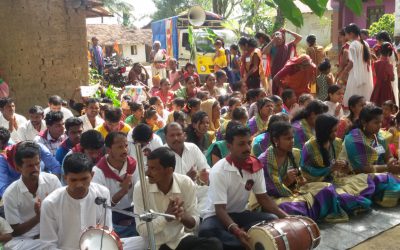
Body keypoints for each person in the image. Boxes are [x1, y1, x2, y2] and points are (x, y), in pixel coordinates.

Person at [199, 124, 288, 250]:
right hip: (216, 217)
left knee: (272, 219)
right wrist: (236, 230)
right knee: (206, 231)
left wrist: (287, 217)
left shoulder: (255, 166)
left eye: (249, 143)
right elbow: (220, 209)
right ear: (229, 146)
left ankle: (239, 241)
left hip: (239, 214)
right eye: (241, 144)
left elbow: (263, 198)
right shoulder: (219, 170)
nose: (247, 148)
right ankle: (243, 241)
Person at [41, 153, 145, 250]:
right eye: (74, 180)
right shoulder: (51, 203)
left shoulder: (102, 193)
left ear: (92, 175)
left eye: (84, 179)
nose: (79, 185)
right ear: (65, 178)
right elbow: (48, 245)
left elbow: (107, 231)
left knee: (144, 242)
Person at [254, 121, 348, 222]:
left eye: (292, 137)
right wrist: (287, 181)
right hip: (273, 199)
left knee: (327, 188)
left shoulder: (295, 153)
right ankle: (311, 213)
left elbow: (299, 181)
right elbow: (271, 191)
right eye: (288, 139)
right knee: (287, 207)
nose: (292, 141)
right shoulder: (265, 161)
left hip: (294, 192)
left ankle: (310, 213)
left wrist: (299, 181)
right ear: (275, 140)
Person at [133, 147, 222, 250]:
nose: (147, 173)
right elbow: (142, 230)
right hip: (156, 245)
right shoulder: (141, 187)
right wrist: (166, 217)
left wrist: (182, 216)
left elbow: (194, 223)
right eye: (148, 167)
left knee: (214, 244)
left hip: (179, 239)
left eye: (153, 169)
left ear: (169, 170)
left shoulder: (185, 183)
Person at [301, 114, 375, 214]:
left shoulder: (335, 143)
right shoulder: (309, 147)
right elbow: (306, 173)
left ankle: (353, 203)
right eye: (333, 131)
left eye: (336, 130)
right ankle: (353, 203)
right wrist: (330, 169)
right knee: (333, 193)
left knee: (367, 180)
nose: (335, 134)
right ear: (323, 131)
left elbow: (340, 165)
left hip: (335, 179)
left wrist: (344, 164)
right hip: (317, 184)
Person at [3, 141, 61, 250]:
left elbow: (62, 212)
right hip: (26, 241)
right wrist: (38, 218)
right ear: (18, 168)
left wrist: (49, 211)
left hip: (53, 234)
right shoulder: (10, 194)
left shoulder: (52, 181)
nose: (35, 169)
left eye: (37, 164)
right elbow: (15, 231)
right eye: (29, 165)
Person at [340, 105, 400, 207]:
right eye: (376, 123)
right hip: (356, 176)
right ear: (364, 122)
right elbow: (361, 169)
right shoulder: (354, 139)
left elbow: (388, 155)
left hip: (380, 172)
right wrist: (388, 168)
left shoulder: (378, 136)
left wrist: (392, 162)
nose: (379, 125)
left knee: (391, 180)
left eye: (381, 122)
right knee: (389, 184)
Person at [92, 132, 138, 237]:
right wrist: (122, 192)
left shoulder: (133, 165)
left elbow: (140, 195)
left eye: (126, 146)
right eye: (120, 147)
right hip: (110, 213)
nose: (125, 150)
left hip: (132, 210)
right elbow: (101, 208)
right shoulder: (98, 172)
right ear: (108, 150)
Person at [164, 122, 210, 211]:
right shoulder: (162, 154)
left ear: (184, 135)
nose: (176, 138)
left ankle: (199, 216)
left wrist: (204, 175)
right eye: (172, 135)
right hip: (173, 197)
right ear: (166, 138)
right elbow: (163, 185)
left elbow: (205, 168)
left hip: (195, 192)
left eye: (179, 134)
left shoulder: (193, 148)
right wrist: (187, 179)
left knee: (210, 193)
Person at [342, 23, 373, 107]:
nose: (346, 36)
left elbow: (352, 62)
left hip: (356, 75)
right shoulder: (365, 43)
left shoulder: (353, 45)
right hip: (366, 74)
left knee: (355, 95)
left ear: (351, 33)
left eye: (346, 34)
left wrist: (344, 72)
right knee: (364, 96)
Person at [264, 28, 302, 93]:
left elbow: (299, 38)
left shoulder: (288, 46)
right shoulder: (272, 47)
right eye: (275, 37)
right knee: (276, 89)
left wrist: (288, 31)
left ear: (283, 38)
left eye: (279, 37)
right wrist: (272, 41)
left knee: (284, 90)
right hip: (275, 71)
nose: (277, 39)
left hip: (285, 71)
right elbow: (264, 51)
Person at [371, 42, 396, 106]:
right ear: (389, 53)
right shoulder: (389, 65)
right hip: (386, 88)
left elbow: (374, 75)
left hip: (377, 87)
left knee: (376, 104)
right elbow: (392, 79)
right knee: (386, 105)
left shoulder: (375, 63)